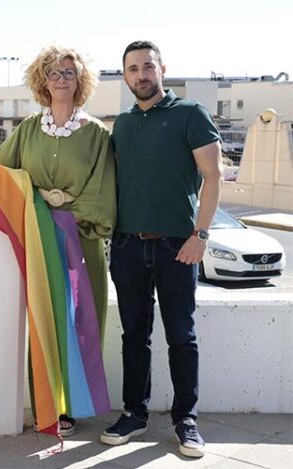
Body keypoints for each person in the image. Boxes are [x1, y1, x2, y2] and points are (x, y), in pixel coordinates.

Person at [100, 41, 222, 459]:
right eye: (132, 69)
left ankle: (186, 421)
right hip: (127, 246)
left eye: (147, 66)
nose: (141, 75)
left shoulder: (191, 114)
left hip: (177, 246)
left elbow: (213, 176)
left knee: (181, 336)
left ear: (162, 69)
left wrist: (200, 236)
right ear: (126, 76)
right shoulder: (122, 125)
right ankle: (134, 414)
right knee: (134, 335)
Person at [0, 45, 115, 436]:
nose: (61, 79)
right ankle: (47, 403)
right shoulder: (27, 129)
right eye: (54, 73)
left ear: (81, 80)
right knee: (42, 317)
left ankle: (73, 406)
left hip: (82, 239)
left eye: (68, 72)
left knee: (80, 319)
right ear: (43, 80)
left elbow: (103, 187)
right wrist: (35, 199)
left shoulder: (95, 133)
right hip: (39, 236)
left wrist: (71, 209)